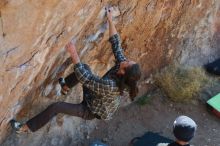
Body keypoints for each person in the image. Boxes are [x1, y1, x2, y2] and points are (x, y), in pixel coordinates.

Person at [10, 7, 141, 133]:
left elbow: (86, 79)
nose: (125, 59)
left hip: (90, 110)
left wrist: (73, 53)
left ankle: (24, 128)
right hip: (95, 96)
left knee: (57, 107)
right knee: (84, 67)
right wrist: (110, 19)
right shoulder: (122, 66)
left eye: (127, 62)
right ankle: (65, 87)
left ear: (124, 73)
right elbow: (116, 45)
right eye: (128, 60)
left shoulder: (111, 86)